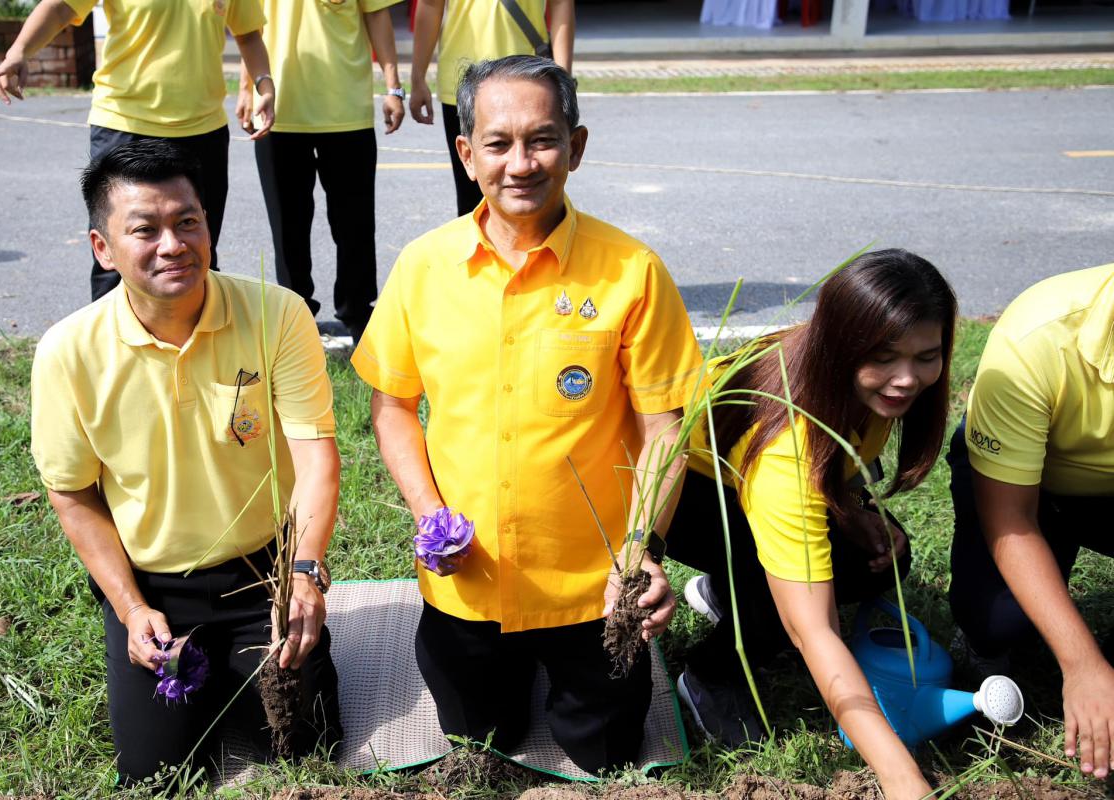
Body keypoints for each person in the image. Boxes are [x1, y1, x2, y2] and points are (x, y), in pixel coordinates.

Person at [351, 56, 703, 774]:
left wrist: (641, 551)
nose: (520, 163)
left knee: (606, 753)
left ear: (576, 146)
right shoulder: (423, 267)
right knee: (481, 737)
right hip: (470, 581)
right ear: (465, 153)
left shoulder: (631, 270)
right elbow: (392, 407)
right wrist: (429, 514)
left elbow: (665, 430)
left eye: (542, 140)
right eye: (498, 143)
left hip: (593, 586)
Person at [29, 140, 340, 784]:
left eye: (187, 221)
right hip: (154, 586)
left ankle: (260, 653)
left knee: (305, 745)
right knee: (158, 773)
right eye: (145, 230)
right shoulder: (67, 351)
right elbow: (73, 493)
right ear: (103, 248)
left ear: (208, 226)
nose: (172, 245)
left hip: (263, 573)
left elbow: (315, 457)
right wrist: (130, 608)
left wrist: (304, 571)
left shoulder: (278, 314)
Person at [667, 250, 957, 800]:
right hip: (682, 498)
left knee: (878, 559)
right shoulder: (788, 448)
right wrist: (903, 779)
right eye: (884, 358)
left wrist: (848, 506)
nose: (906, 379)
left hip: (739, 482)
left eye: (927, 356)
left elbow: (836, 459)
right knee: (798, 606)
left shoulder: (837, 369)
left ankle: (730, 591)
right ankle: (712, 673)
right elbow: (815, 631)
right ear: (840, 345)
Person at [947, 264, 1114, 780]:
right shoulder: (1037, 337)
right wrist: (1082, 665)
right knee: (998, 620)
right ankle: (981, 646)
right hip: (1027, 488)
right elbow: (1010, 517)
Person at [0, 0, 275, 302]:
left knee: (195, 252)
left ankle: (198, 332)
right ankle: (111, 334)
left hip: (201, 130)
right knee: (119, 256)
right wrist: (19, 51)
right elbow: (61, 7)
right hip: (124, 124)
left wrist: (263, 84)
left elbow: (248, 35)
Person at [236, 0, 405, 342]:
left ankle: (358, 315)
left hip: (346, 106)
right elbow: (248, 24)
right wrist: (246, 88)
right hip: (278, 108)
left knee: (355, 224)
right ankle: (295, 319)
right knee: (288, 228)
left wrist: (393, 87)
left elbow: (376, 14)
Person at [408, 0, 575, 216]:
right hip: (463, 83)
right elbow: (430, 6)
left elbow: (561, 4)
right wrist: (418, 77)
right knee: (471, 194)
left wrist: (562, 80)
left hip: (532, 86)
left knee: (537, 189)